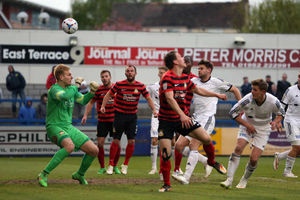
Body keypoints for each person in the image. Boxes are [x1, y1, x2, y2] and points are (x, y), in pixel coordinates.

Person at [158, 51, 226, 192]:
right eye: (181, 57)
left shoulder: (184, 78)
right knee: (166, 154)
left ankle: (211, 162)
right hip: (167, 121)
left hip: (183, 119)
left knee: (206, 138)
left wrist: (217, 94)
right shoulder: (167, 77)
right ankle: (166, 185)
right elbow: (170, 99)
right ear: (176, 62)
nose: (184, 59)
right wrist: (182, 115)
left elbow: (199, 90)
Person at [172, 59, 241, 185]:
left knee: (193, 145)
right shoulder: (193, 81)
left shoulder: (216, 82)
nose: (199, 71)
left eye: (201, 68)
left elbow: (235, 90)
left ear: (209, 70)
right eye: (198, 68)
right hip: (195, 117)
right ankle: (207, 162)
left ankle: (186, 177)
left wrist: (240, 107)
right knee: (178, 145)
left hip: (208, 118)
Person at [37, 64, 100, 187]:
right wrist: (76, 85)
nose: (72, 77)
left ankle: (79, 174)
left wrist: (92, 92)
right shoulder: (54, 89)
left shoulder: (71, 89)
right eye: (69, 74)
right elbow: (65, 96)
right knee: (69, 146)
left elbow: (82, 100)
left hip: (68, 127)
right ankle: (43, 174)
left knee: (94, 150)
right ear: (61, 77)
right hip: (54, 126)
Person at [220, 79, 284, 189]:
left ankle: (244, 179)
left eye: (255, 90)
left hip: (263, 129)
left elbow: (281, 113)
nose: (252, 92)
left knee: (254, 159)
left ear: (263, 92)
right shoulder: (246, 100)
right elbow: (232, 113)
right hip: (247, 124)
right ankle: (229, 180)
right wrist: (247, 125)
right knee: (238, 148)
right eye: (252, 89)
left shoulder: (273, 101)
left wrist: (276, 122)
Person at [101, 65, 157, 175]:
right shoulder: (119, 84)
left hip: (132, 117)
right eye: (128, 71)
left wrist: (154, 110)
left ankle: (125, 165)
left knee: (131, 141)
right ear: (125, 73)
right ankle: (111, 165)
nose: (130, 73)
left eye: (132, 71)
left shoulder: (140, 86)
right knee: (116, 140)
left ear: (135, 73)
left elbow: (148, 98)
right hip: (119, 116)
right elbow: (108, 94)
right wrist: (103, 106)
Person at [81, 70, 119, 175]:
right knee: (100, 144)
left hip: (115, 120)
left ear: (110, 77)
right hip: (102, 121)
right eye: (102, 77)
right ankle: (102, 167)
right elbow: (91, 102)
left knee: (117, 143)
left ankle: (114, 166)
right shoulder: (99, 90)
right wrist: (85, 115)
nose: (104, 78)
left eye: (106, 76)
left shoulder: (116, 88)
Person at [273, 73, 300, 178]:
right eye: (299, 77)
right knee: (297, 146)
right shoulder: (290, 90)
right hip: (291, 120)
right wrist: (279, 120)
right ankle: (287, 172)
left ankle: (279, 156)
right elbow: (282, 106)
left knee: (298, 149)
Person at [147, 66, 168, 175]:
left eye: (163, 73)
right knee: (155, 140)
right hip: (156, 116)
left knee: (172, 143)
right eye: (160, 73)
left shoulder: (170, 87)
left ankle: (175, 168)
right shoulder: (152, 87)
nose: (161, 74)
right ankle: (154, 167)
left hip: (168, 116)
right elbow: (145, 95)